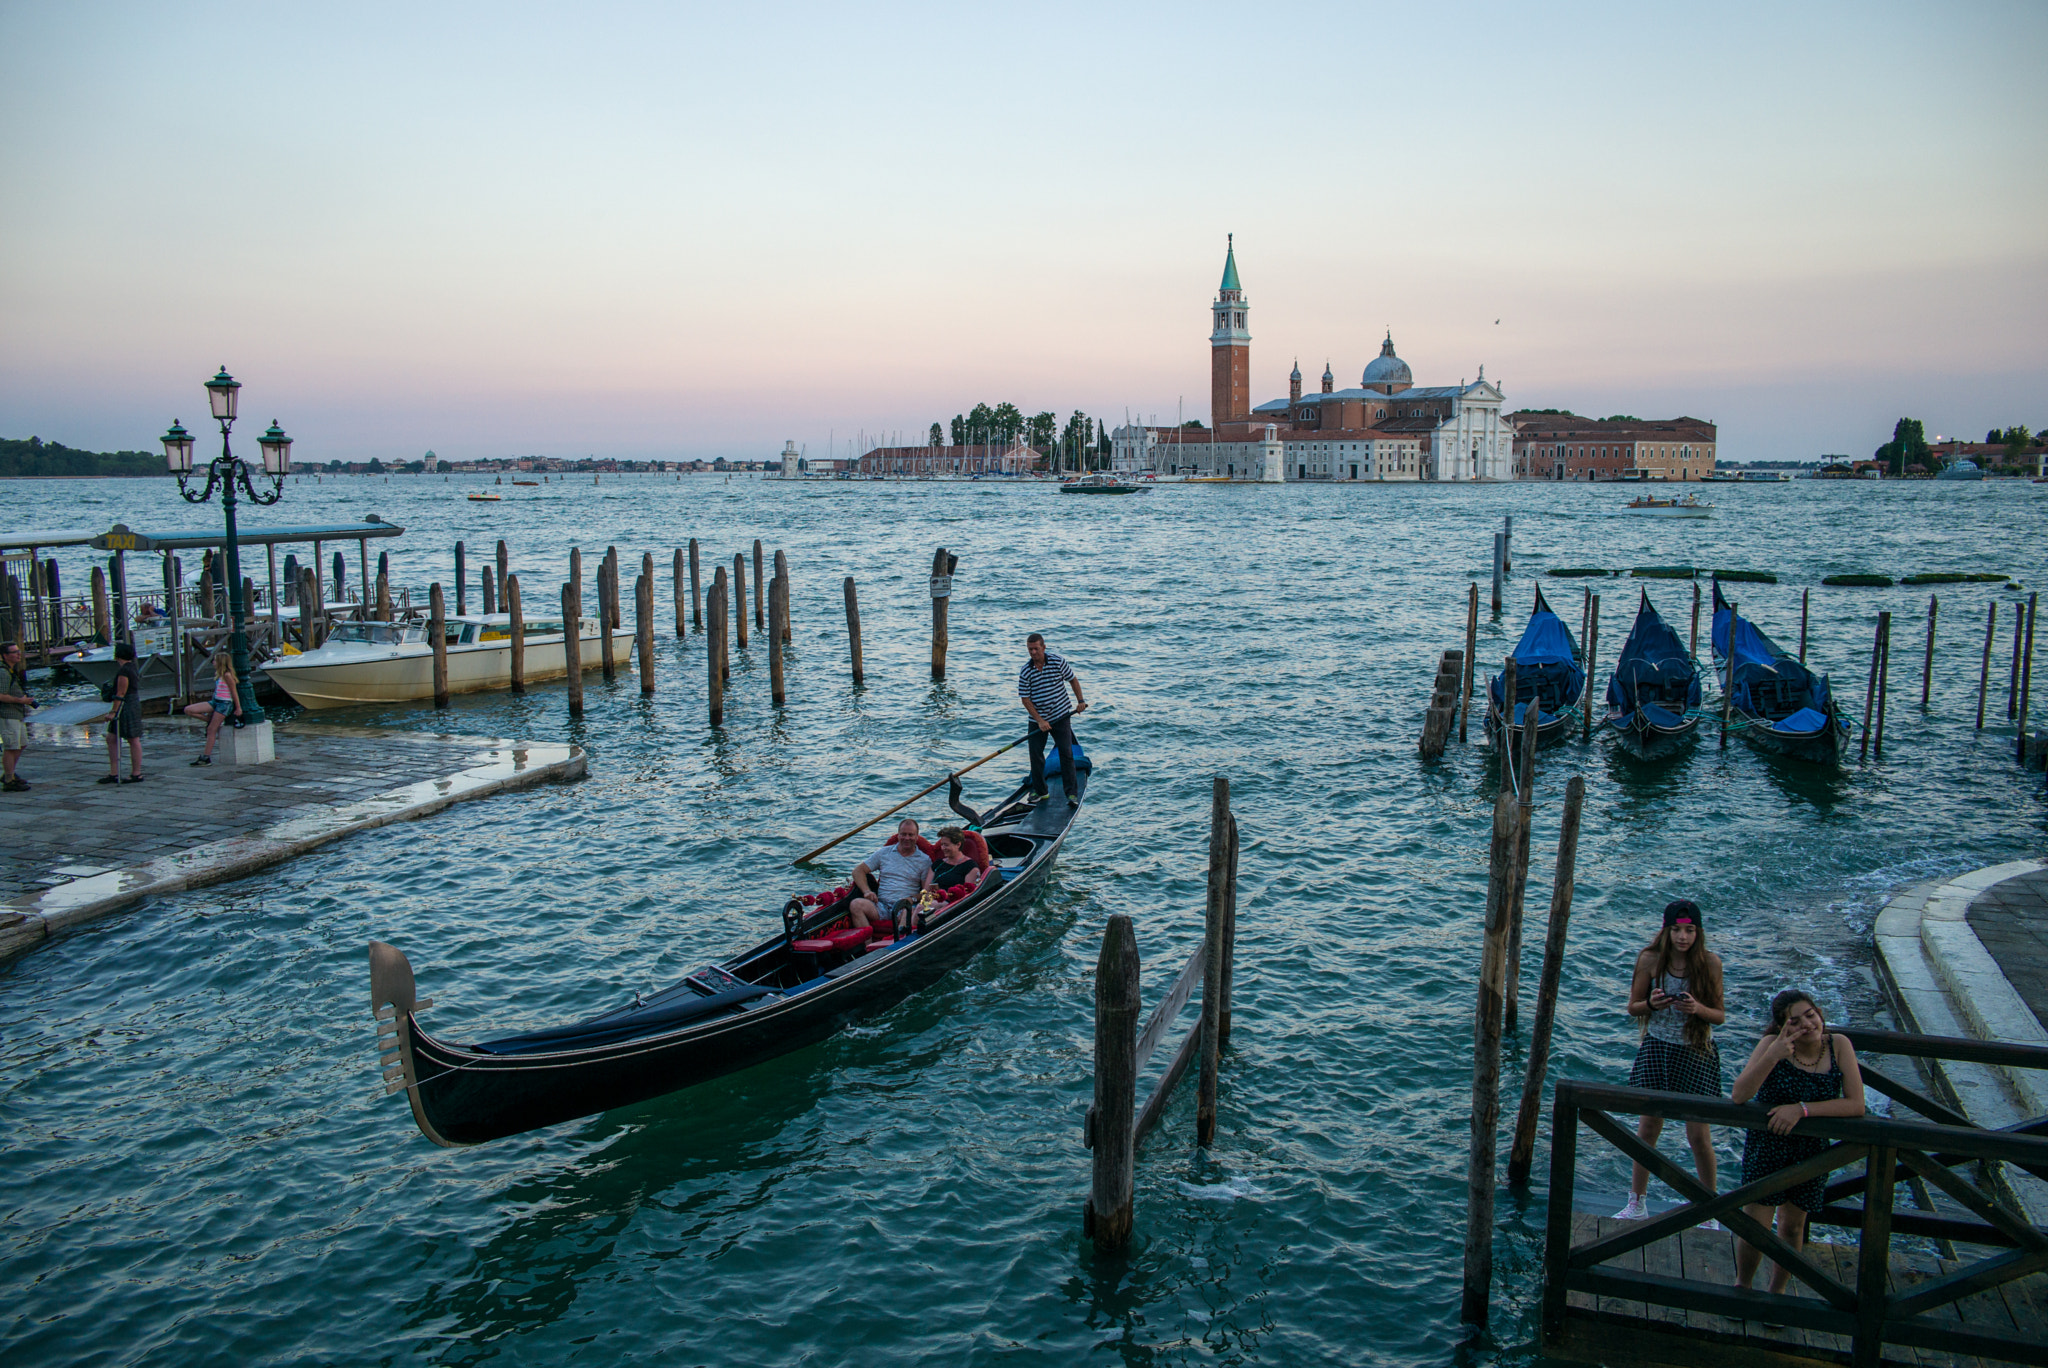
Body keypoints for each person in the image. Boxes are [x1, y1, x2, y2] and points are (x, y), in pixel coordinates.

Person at [1733, 989, 1865, 1293]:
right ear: (1783, 1028)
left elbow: (1856, 1104)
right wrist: (1773, 1055)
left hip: (1812, 1152)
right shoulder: (1771, 1045)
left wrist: (1802, 1110)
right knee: (1756, 1227)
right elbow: (1740, 1095)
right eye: (1795, 1021)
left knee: (1792, 1227)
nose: (1807, 1024)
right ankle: (1743, 1286)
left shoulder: (1839, 1045)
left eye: (1810, 1014)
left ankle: (1777, 1292)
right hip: (1768, 1146)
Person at [1612, 899, 1727, 1223]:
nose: (1682, 937)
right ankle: (1637, 1202)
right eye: (1676, 929)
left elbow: (1719, 1015)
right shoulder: (1650, 960)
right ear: (1666, 930)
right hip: (1658, 1047)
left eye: (1689, 930)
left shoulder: (1710, 963)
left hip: (1696, 1051)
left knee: (1698, 1135)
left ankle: (1709, 1209)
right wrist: (1652, 1003)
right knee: (1648, 1128)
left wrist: (1697, 1010)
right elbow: (1633, 1006)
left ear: (1698, 932)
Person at [1019, 632, 1087, 806]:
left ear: (1044, 647)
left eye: (1036, 649)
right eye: (1030, 649)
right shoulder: (1026, 671)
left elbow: (1073, 680)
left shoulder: (1058, 661)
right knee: (1035, 755)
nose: (1033, 653)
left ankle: (1071, 794)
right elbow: (1025, 700)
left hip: (1060, 715)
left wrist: (1080, 701)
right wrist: (1040, 721)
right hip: (1037, 719)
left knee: (1066, 754)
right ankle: (1041, 792)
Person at [848, 818, 932, 932]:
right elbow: (858, 871)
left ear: (917, 836)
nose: (907, 838)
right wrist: (867, 891)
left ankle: (897, 946)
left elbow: (925, 892)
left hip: (904, 907)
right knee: (855, 904)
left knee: (908, 912)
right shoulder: (884, 853)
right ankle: (867, 946)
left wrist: (911, 899)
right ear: (898, 835)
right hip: (881, 905)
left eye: (910, 835)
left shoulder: (924, 860)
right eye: (903, 834)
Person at [183, 650, 244, 765]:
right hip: (215, 701)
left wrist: (238, 707)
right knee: (189, 710)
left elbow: (234, 692)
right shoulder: (219, 675)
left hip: (224, 704)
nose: (213, 662)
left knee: (211, 730)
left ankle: (206, 757)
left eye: (215, 660)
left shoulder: (227, 675)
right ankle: (211, 721)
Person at [102, 641, 145, 784]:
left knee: (133, 738)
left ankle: (136, 773)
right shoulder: (132, 667)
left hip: (127, 705)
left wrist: (113, 711)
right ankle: (115, 772)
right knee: (112, 737)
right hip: (132, 703)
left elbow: (121, 692)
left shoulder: (124, 671)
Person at [1, 641, 35, 792]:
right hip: (8, 714)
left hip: (17, 713)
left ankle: (10, 773)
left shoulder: (10, 671)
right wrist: (20, 700)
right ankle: (9, 780)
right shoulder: (2, 672)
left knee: (21, 744)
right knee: (11, 746)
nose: (18, 654)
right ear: (5, 655)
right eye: (14, 652)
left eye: (18, 651)